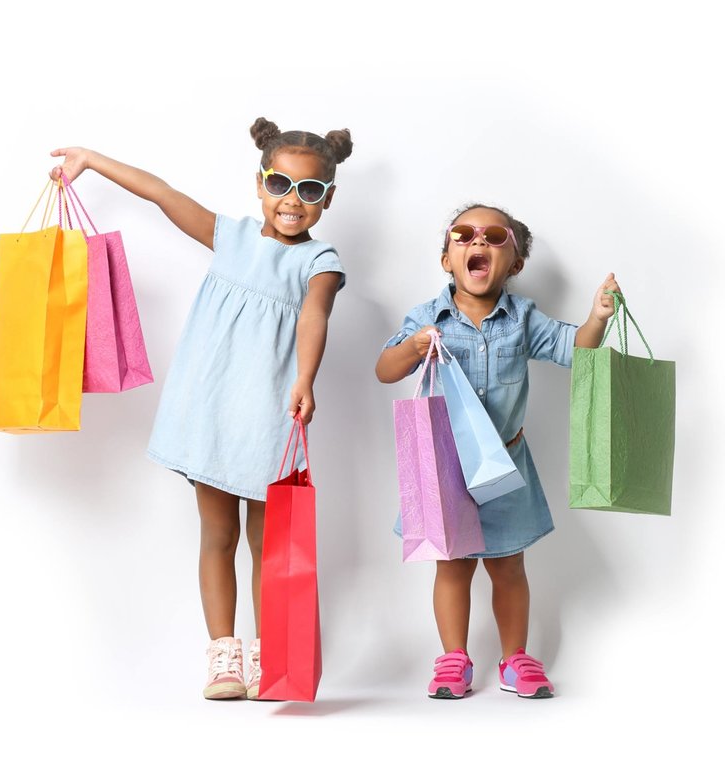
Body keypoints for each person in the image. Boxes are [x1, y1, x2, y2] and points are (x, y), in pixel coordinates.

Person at [50, 118, 352, 700]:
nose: (293, 201)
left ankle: (274, 658)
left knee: (268, 542)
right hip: (210, 408)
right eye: (281, 184)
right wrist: (92, 157)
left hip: (270, 415)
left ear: (327, 199)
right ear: (259, 183)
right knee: (216, 533)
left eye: (309, 191)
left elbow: (316, 315)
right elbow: (162, 193)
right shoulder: (231, 236)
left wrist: (306, 377)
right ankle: (224, 659)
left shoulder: (321, 261)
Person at [375, 203, 619, 699]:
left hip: (507, 465)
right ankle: (452, 659)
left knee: (509, 566)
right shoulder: (426, 317)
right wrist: (415, 346)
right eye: (463, 235)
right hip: (446, 468)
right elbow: (385, 368)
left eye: (494, 236)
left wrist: (597, 317)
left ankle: (516, 658)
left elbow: (578, 350)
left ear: (515, 264)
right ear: (447, 259)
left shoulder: (523, 318)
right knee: (452, 563)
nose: (477, 242)